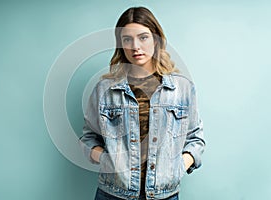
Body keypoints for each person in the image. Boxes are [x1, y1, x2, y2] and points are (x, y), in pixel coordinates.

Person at [79, 6, 205, 200]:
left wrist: (178, 166)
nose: (135, 46)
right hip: (113, 194)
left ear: (156, 39)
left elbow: (195, 139)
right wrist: (107, 160)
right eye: (127, 39)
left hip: (165, 195)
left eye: (143, 37)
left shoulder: (183, 88)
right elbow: (88, 138)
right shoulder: (105, 89)